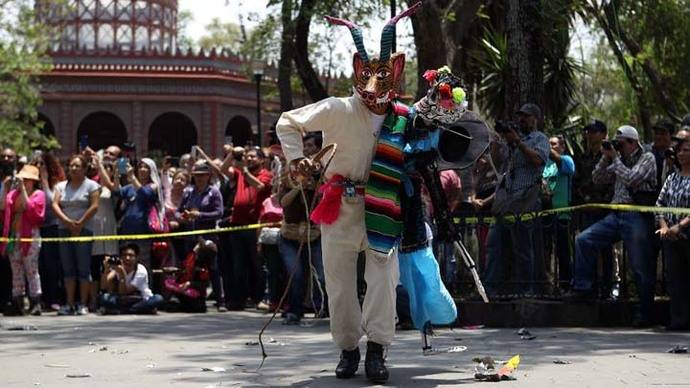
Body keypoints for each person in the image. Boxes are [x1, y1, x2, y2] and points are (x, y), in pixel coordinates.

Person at [276, 4, 421, 382]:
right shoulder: (338, 108)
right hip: (339, 205)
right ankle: (347, 349)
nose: (374, 87)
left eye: (383, 77)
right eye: (367, 76)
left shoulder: (403, 116)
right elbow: (287, 123)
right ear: (357, 71)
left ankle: (377, 351)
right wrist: (297, 160)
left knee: (384, 281)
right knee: (338, 282)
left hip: (384, 207)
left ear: (397, 72)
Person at [569, 125, 657, 327]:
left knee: (640, 266)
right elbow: (597, 178)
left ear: (633, 142)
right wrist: (605, 157)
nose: (619, 147)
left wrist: (615, 159)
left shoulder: (647, 158)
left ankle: (645, 312)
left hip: (636, 214)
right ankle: (584, 288)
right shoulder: (618, 159)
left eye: (621, 144)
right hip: (615, 215)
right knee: (584, 240)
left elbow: (633, 179)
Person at [482, 103, 550, 296]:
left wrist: (519, 142)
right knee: (494, 244)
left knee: (523, 247)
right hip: (506, 201)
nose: (522, 120)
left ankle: (526, 290)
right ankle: (490, 289)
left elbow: (538, 161)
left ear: (535, 119)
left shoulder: (539, 138)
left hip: (526, 199)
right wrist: (499, 140)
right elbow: (495, 163)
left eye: (526, 117)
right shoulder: (510, 142)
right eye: (520, 116)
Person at [572, 119, 617, 297]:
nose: (590, 135)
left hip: (604, 210)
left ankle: (608, 288)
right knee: (584, 248)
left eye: (595, 131)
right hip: (586, 209)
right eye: (588, 132)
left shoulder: (609, 156)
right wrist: (581, 203)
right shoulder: (582, 158)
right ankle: (588, 288)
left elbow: (613, 182)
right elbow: (577, 183)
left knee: (605, 251)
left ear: (604, 134)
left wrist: (604, 203)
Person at [224, 147, 272, 310]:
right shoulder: (240, 174)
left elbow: (259, 186)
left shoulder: (265, 174)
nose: (249, 159)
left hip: (256, 227)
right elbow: (223, 170)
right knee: (239, 265)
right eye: (247, 157)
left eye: (252, 157)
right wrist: (231, 154)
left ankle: (259, 298)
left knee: (257, 265)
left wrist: (244, 171)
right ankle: (239, 299)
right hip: (237, 225)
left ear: (262, 160)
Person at [52, 154, 100, 315]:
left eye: (77, 166)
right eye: (71, 165)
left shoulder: (92, 185)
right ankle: (69, 303)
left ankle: (83, 304)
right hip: (63, 229)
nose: (73, 168)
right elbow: (55, 205)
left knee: (83, 267)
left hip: (84, 229)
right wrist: (67, 222)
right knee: (68, 267)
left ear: (85, 168)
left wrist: (79, 224)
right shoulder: (60, 186)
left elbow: (94, 206)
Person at [175, 161, 224, 311]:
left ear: (208, 176)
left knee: (213, 268)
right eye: (197, 176)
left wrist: (200, 215)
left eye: (202, 176)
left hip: (208, 237)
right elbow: (179, 210)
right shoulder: (188, 192)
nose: (199, 179)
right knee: (191, 268)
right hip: (191, 236)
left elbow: (219, 212)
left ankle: (220, 300)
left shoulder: (214, 192)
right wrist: (181, 217)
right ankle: (194, 298)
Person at [0, 165, 46, 315]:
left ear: (33, 181)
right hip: (15, 235)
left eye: (27, 180)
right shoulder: (13, 194)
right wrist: (6, 188)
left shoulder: (38, 194)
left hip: (30, 235)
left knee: (31, 269)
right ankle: (18, 301)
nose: (24, 182)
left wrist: (24, 191)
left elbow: (32, 210)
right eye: (22, 179)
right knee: (16, 269)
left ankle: (35, 301)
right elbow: (3, 207)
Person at [655, 138, 690, 330]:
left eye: (687, 150)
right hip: (670, 236)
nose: (682, 154)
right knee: (675, 280)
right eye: (680, 151)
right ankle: (678, 320)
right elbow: (660, 203)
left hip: (686, 233)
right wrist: (665, 226)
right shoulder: (672, 177)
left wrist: (680, 226)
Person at [116, 158, 164, 268]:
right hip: (126, 230)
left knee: (143, 264)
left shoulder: (154, 186)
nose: (142, 169)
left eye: (146, 167)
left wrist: (132, 178)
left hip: (143, 230)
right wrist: (116, 175)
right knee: (126, 264)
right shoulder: (129, 187)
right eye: (140, 167)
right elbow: (117, 192)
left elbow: (145, 194)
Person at [542, 136, 575, 287]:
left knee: (563, 252)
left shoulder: (567, 160)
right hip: (545, 213)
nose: (550, 147)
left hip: (562, 214)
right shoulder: (543, 163)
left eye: (553, 144)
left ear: (562, 147)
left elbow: (568, 168)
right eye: (548, 144)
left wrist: (542, 146)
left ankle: (565, 284)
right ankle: (546, 284)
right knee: (544, 250)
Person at [35, 152, 66, 311]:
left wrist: (44, 180)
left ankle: (54, 297)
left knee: (51, 264)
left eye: (41, 164)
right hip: (34, 229)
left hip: (52, 227)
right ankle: (40, 298)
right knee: (38, 266)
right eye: (36, 164)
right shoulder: (31, 183)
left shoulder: (57, 184)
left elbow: (50, 204)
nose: (38, 167)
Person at [99, 243, 163, 314]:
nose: (127, 258)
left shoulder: (141, 270)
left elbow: (125, 291)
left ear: (136, 257)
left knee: (158, 298)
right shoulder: (118, 267)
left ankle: (122, 311)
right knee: (105, 297)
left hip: (140, 299)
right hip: (123, 300)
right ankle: (140, 310)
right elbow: (103, 286)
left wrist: (122, 275)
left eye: (131, 255)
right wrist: (106, 270)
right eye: (124, 255)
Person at [0, 147, 17, 313]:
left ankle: (13, 300)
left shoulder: (21, 177)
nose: (6, 158)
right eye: (3, 156)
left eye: (9, 156)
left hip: (18, 226)